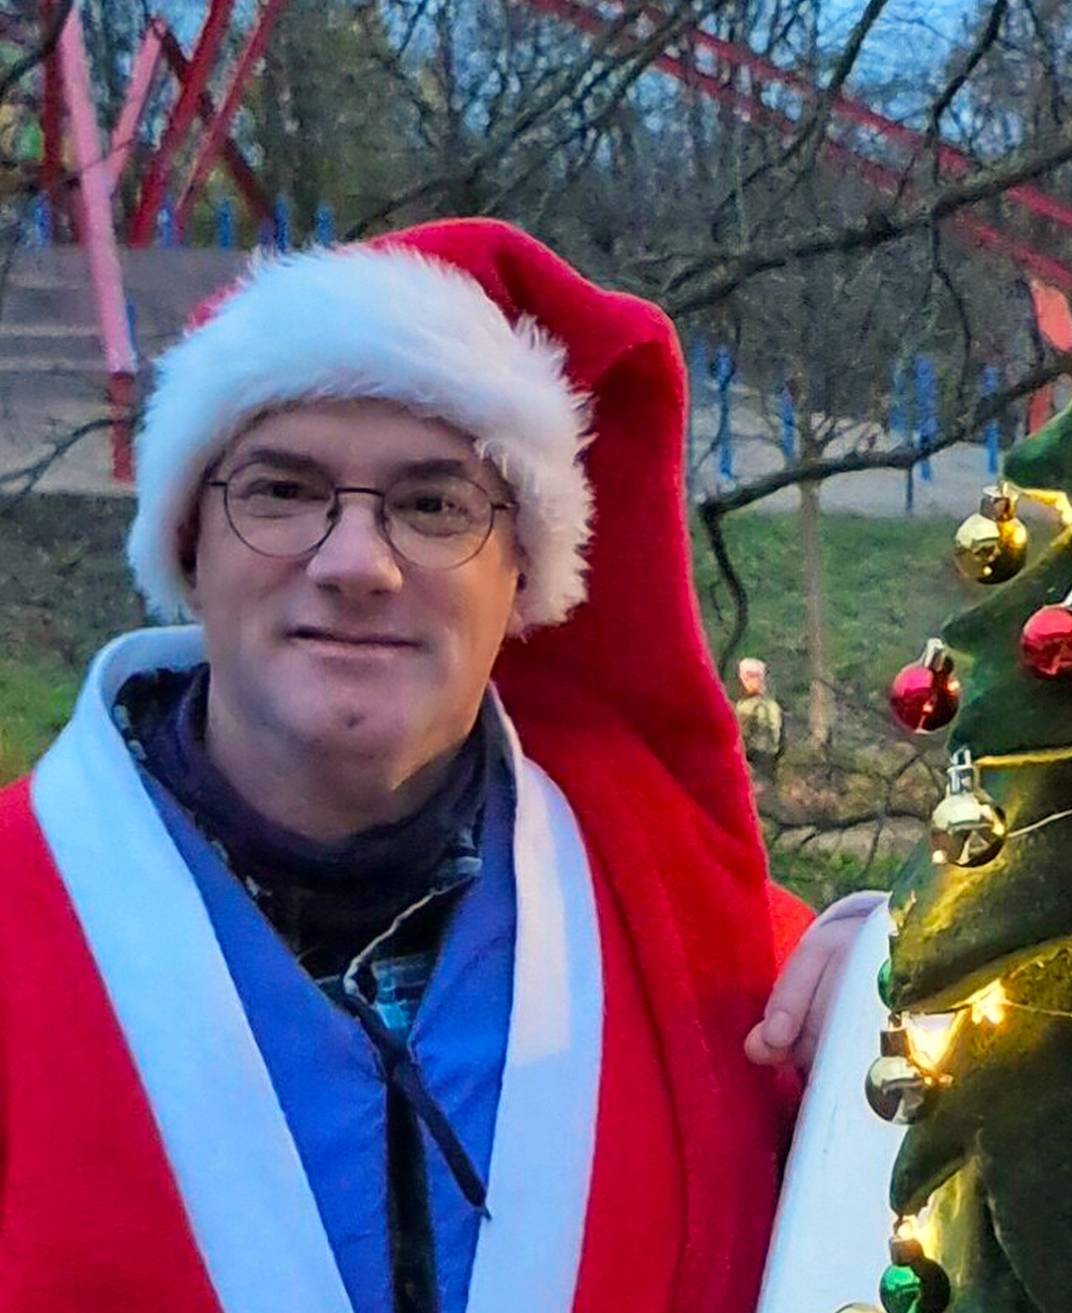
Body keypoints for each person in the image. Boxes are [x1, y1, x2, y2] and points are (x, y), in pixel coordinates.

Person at [0, 219, 812, 1313]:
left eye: (434, 505)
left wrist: (884, 1000)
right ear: (190, 542)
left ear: (524, 576)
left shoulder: (735, 985)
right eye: (282, 491)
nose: (355, 564)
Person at [735, 656, 784, 779]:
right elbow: (782, 742)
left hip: (752, 765)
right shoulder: (774, 706)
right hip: (769, 766)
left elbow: (740, 738)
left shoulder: (745, 707)